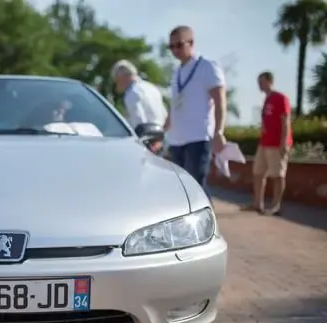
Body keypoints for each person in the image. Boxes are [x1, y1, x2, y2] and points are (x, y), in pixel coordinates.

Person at [164, 25, 227, 191]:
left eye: (179, 45)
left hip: (198, 138)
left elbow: (220, 101)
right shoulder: (176, 72)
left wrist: (219, 132)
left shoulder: (207, 66)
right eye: (171, 46)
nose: (175, 50)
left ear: (191, 43)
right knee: (181, 190)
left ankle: (208, 217)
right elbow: (175, 104)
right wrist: (164, 129)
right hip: (177, 140)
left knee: (196, 190)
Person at [241, 71, 293, 215]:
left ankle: (276, 206)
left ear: (270, 81)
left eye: (262, 82)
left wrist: (284, 143)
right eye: (258, 82)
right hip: (264, 143)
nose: (259, 85)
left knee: (278, 175)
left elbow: (286, 121)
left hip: (277, 144)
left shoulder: (280, 98)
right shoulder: (267, 100)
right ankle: (257, 203)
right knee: (258, 172)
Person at [111, 60, 168, 154]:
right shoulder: (151, 88)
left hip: (148, 145)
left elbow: (138, 123)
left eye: (116, 79)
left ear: (123, 77)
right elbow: (165, 115)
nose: (116, 83)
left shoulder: (131, 93)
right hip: (161, 141)